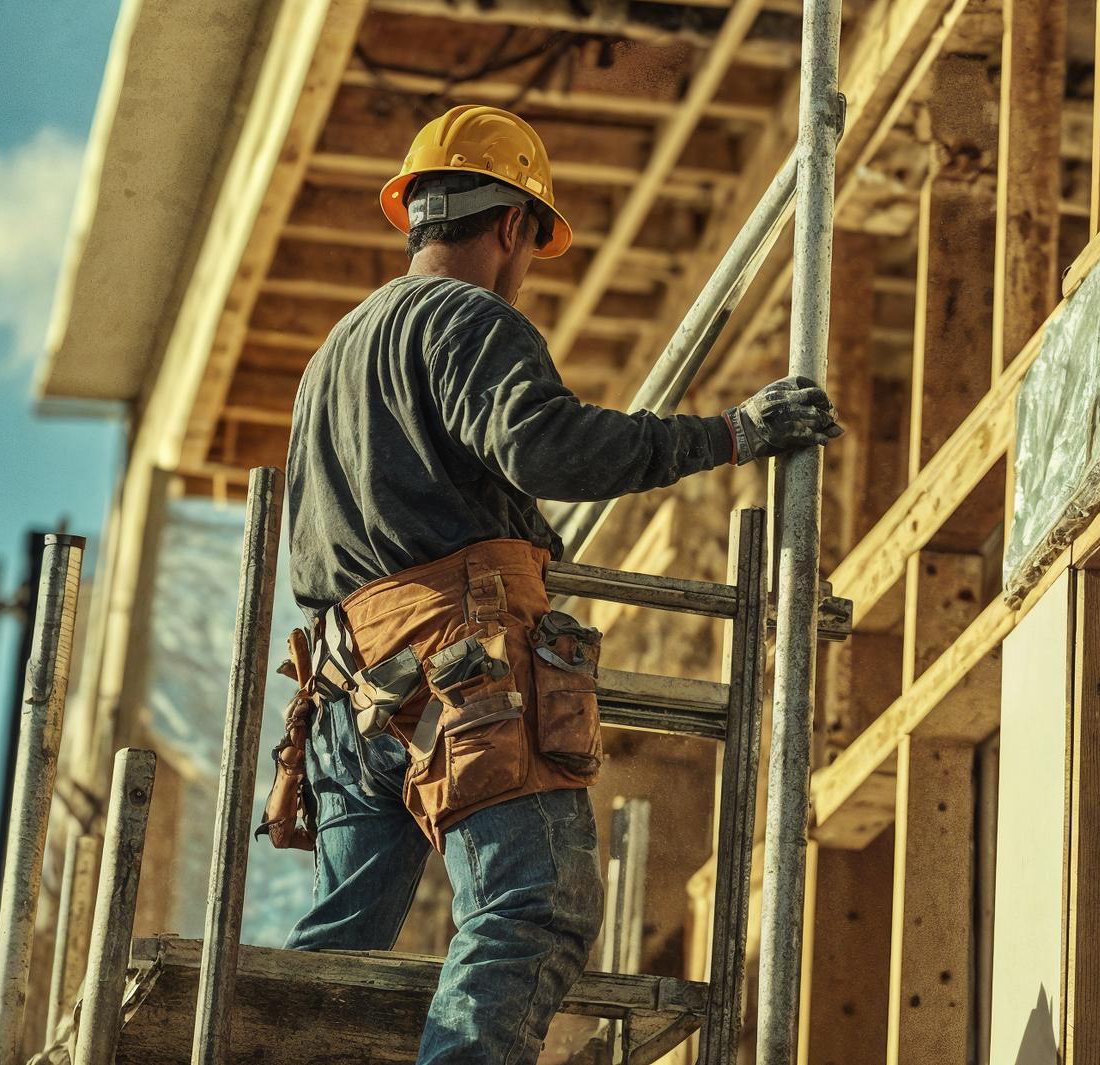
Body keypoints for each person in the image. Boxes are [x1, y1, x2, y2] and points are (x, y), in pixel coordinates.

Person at [260, 104, 841, 1064]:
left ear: (418, 211)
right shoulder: (466, 317)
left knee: (338, 955)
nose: (528, 264)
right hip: (452, 671)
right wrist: (730, 433)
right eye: (533, 242)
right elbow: (544, 444)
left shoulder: (329, 360)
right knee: (535, 902)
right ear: (510, 225)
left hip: (346, 695)